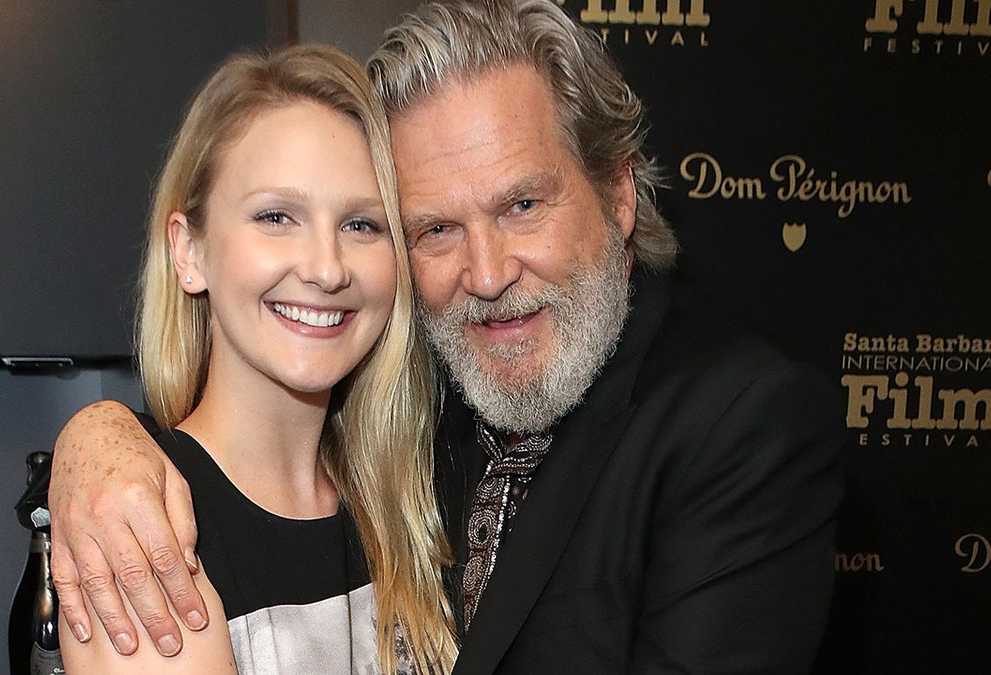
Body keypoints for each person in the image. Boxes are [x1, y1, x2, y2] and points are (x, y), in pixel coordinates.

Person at [50, 1, 844, 673]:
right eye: (435, 227)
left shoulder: (740, 422)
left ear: (619, 193)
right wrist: (95, 436)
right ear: (188, 249)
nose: (488, 271)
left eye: (522, 205)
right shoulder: (422, 413)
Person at [55, 44, 458, 674]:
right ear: (188, 252)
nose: (326, 268)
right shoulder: (139, 532)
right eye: (276, 216)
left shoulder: (418, 495)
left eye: (362, 225)